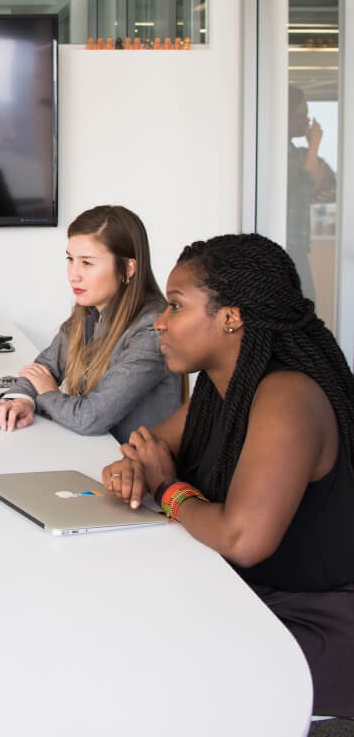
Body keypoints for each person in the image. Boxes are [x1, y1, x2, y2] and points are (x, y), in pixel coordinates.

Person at [103, 233, 354, 718]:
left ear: (231, 317)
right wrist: (132, 469)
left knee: (143, 664)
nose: (160, 321)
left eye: (176, 306)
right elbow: (145, 447)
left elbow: (243, 538)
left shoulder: (287, 396)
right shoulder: (222, 389)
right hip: (243, 594)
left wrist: (167, 488)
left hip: (312, 621)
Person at [0, 205, 180, 442]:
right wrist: (21, 401)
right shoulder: (90, 311)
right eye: (70, 259)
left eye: (87, 263)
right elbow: (44, 368)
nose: (73, 275)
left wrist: (47, 392)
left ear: (128, 268)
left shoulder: (152, 331)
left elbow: (90, 417)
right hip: (98, 451)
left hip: (131, 461)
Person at [287, 84, 336, 301]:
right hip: (287, 244)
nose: (307, 122)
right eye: (301, 116)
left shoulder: (298, 155)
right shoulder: (279, 154)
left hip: (298, 245)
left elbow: (326, 186)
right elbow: (303, 185)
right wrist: (314, 145)